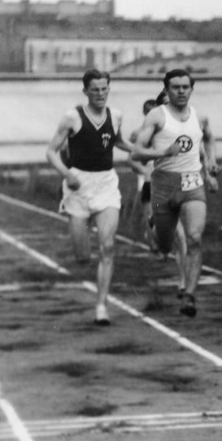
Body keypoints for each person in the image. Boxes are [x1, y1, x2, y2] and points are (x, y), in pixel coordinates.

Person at [46, 69, 134, 326]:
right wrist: (66, 174)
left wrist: (149, 151)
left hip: (106, 183)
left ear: (109, 88)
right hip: (78, 186)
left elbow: (118, 141)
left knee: (107, 247)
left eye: (104, 89)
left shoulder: (115, 115)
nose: (100, 94)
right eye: (95, 89)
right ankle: (84, 255)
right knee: (83, 256)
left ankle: (101, 307)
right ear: (85, 91)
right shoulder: (72, 117)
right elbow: (51, 152)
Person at [131, 69, 219, 318]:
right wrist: (164, 153)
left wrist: (211, 163)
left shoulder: (200, 117)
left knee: (194, 238)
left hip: (192, 182)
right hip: (163, 183)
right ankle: (157, 229)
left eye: (185, 87)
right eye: (176, 87)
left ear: (191, 89)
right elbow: (137, 152)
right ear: (167, 90)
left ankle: (189, 295)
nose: (181, 91)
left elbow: (210, 139)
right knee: (165, 245)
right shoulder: (157, 117)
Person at [127, 91, 188, 297]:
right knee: (163, 237)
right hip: (154, 188)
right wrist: (146, 172)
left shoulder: (186, 127)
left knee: (182, 237)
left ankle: (183, 283)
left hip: (179, 186)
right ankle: (156, 236)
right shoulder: (148, 131)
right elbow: (133, 157)